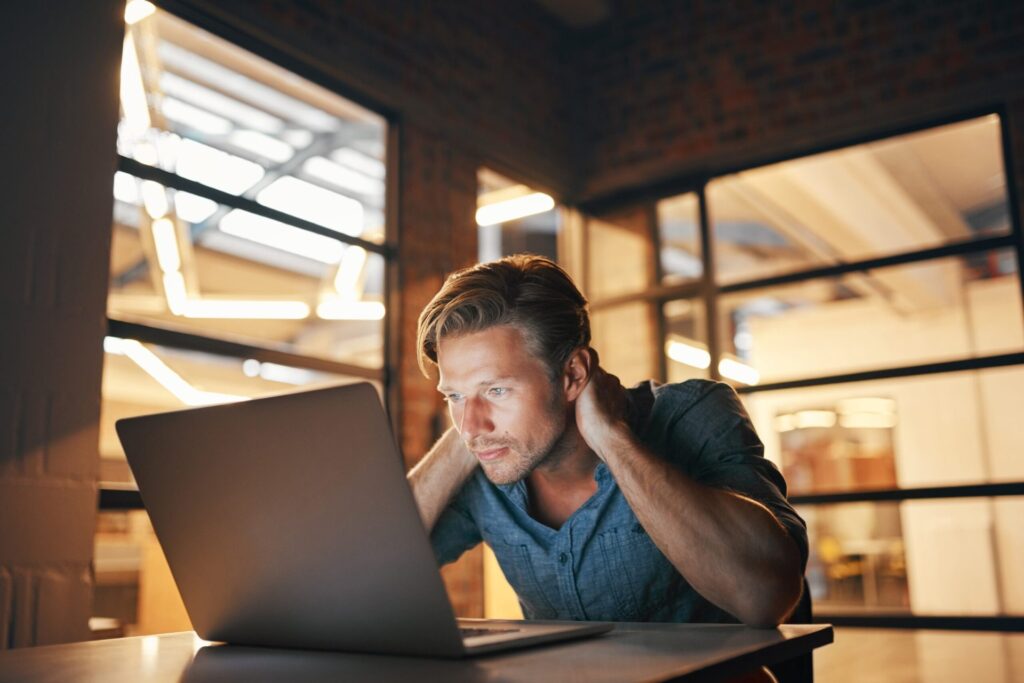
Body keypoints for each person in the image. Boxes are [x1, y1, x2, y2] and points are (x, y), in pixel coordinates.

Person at [408, 254, 807, 631]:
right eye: (453, 396)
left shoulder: (693, 413)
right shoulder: (486, 462)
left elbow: (767, 598)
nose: (470, 425)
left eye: (497, 390)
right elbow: (375, 568)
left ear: (573, 374)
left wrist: (612, 438)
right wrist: (467, 433)